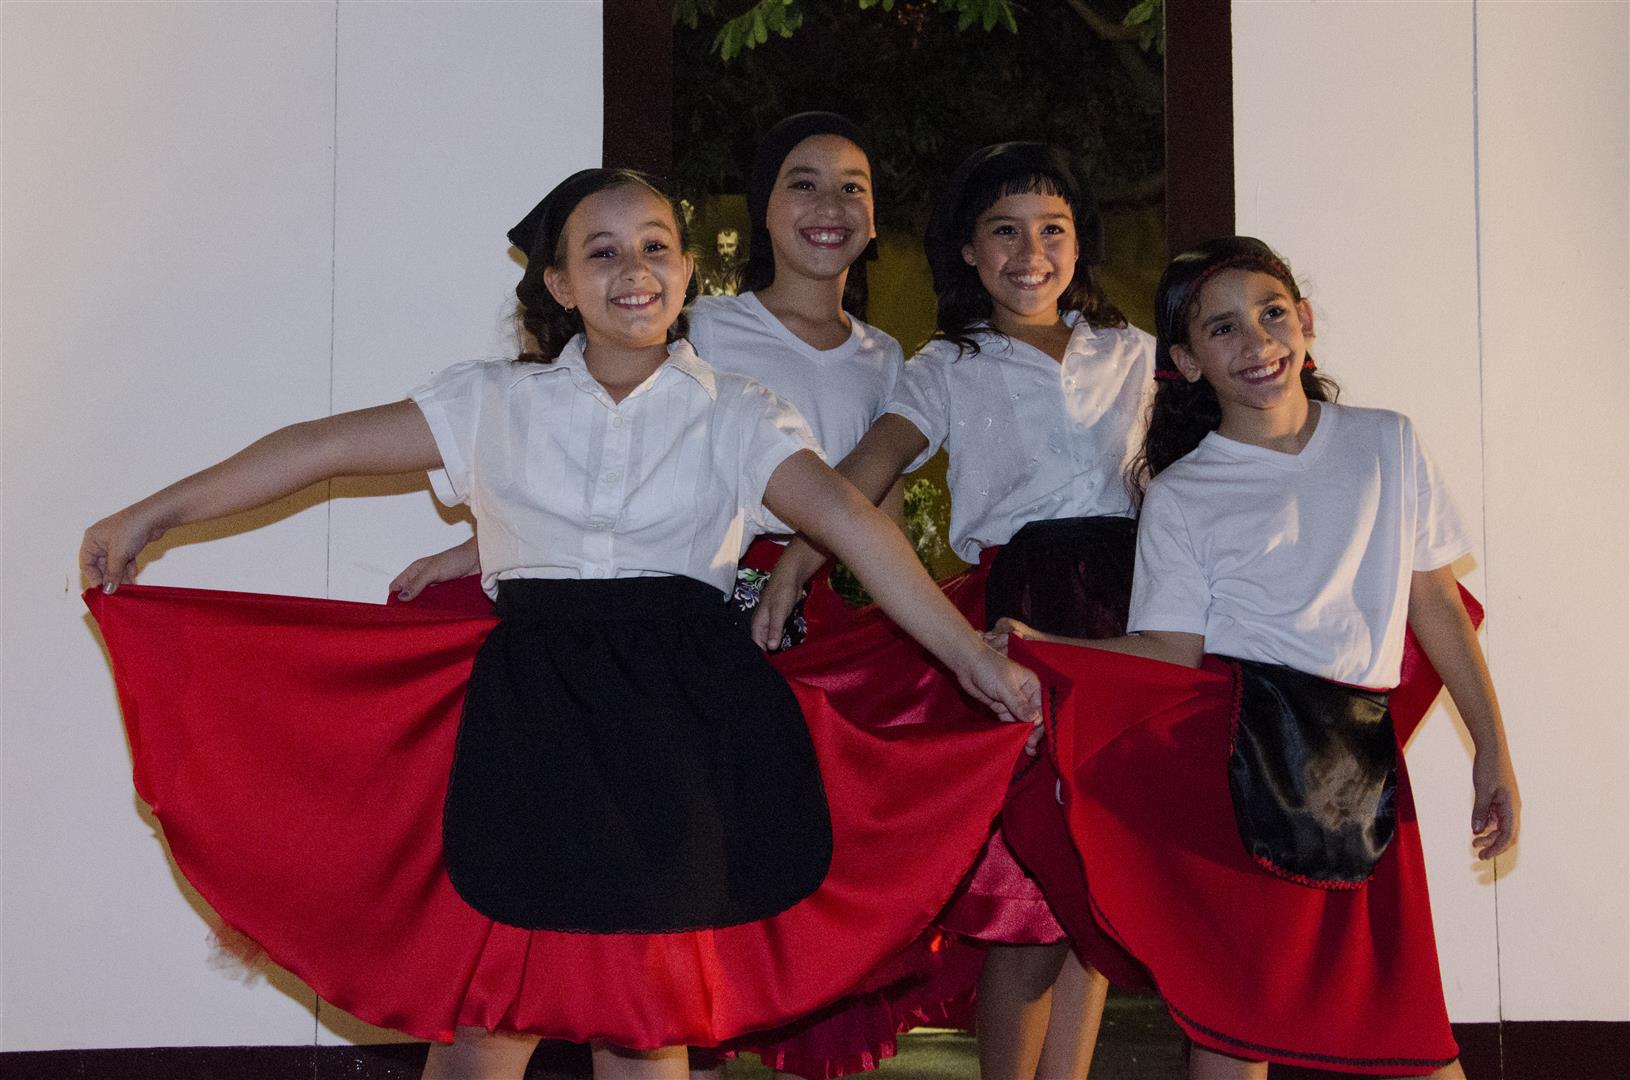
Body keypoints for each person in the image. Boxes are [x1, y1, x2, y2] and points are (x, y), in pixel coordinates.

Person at [80, 168, 1043, 1080]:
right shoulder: (495, 402)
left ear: (688, 268)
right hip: (525, 731)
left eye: (657, 247)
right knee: (485, 1031)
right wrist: (155, 513)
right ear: (559, 283)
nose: (636, 273)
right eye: (604, 254)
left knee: (647, 1027)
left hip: (679, 738)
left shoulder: (740, 415)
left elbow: (858, 529)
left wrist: (971, 660)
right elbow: (318, 450)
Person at [992, 236, 1520, 1079]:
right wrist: (1047, 649)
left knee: (1409, 1037)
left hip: (1363, 779)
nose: (1257, 343)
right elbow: (1169, 652)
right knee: (1233, 1033)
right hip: (1245, 771)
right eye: (1223, 328)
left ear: (1305, 323)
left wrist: (1491, 745)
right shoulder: (1183, 494)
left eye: (1272, 314)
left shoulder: (1387, 443)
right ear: (1187, 362)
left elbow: (1436, 607)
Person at [756, 142, 1155, 1080]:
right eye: (1003, 231)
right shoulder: (948, 366)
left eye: (1051, 230)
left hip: (1134, 622)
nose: (1030, 252)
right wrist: (795, 567)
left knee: (1097, 884)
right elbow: (861, 476)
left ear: (1078, 244)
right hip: (1022, 618)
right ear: (968, 254)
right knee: (1032, 890)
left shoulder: (1134, 354)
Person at [391, 112, 907, 653]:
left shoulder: (883, 355)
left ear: (874, 218)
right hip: (713, 579)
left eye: (853, 187)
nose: (830, 204)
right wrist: (483, 546)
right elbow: (612, 454)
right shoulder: (699, 322)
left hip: (811, 589)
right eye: (803, 183)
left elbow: (872, 508)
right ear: (764, 210)